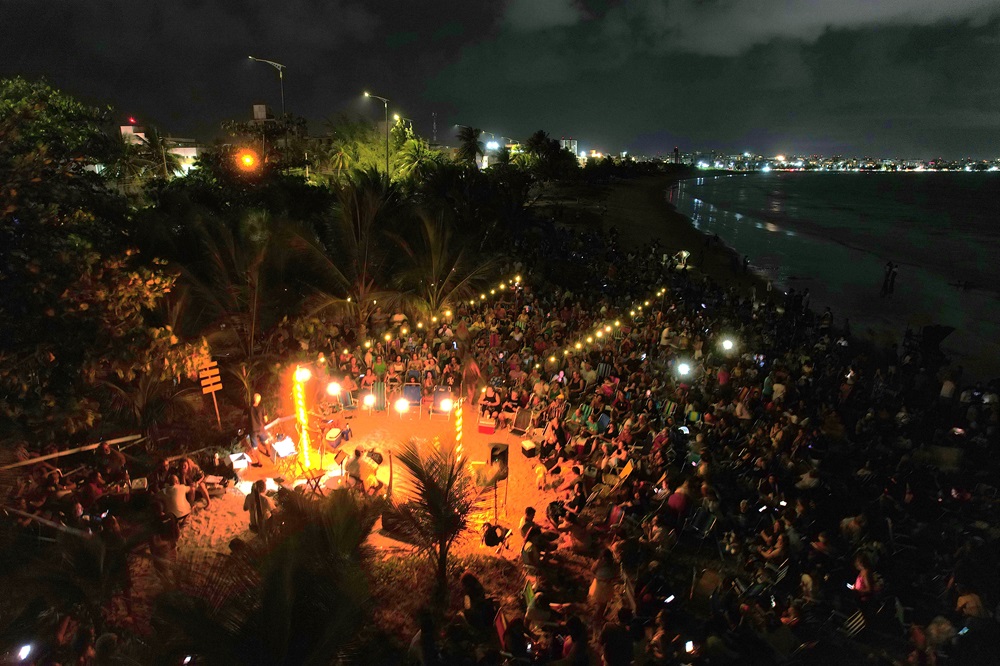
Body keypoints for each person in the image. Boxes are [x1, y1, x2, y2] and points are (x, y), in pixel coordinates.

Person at [247, 393, 271, 464]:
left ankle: (260, 462)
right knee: (266, 440)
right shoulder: (262, 408)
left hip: (253, 430)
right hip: (261, 428)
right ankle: (269, 453)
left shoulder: (249, 409)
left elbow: (245, 418)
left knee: (255, 447)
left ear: (253, 399)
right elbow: (266, 419)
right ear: (259, 400)